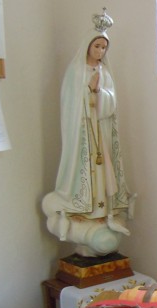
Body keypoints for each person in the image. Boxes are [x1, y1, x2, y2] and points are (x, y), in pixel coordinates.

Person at [42, 10, 134, 257]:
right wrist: (88, 92)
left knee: (103, 172)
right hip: (82, 134)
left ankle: (103, 211)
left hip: (101, 130)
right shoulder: (76, 71)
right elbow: (71, 104)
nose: (100, 51)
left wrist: (98, 92)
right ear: (88, 46)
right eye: (97, 46)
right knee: (85, 171)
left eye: (104, 47)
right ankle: (84, 210)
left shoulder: (105, 72)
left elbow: (111, 103)